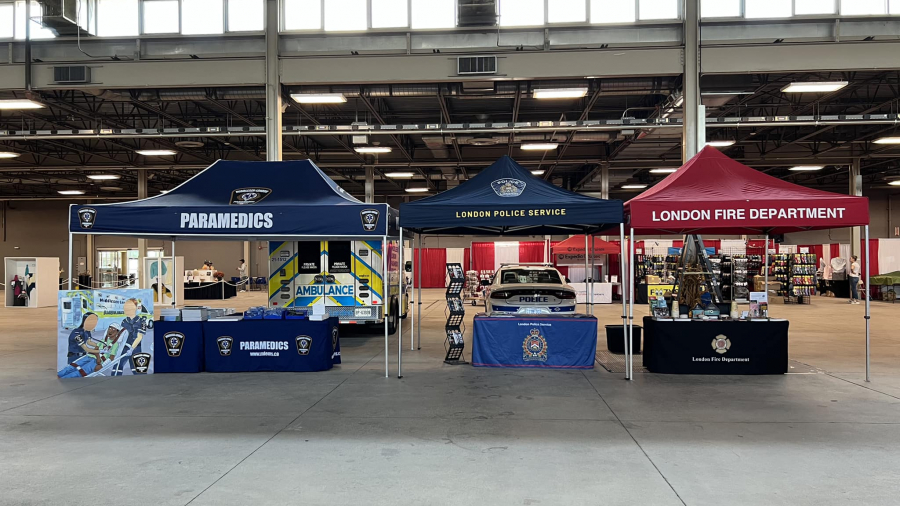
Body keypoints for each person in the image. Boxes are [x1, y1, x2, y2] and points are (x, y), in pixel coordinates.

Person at [111, 298, 150, 376]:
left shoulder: (141, 321)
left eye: (129, 307)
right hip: (124, 348)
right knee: (117, 366)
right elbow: (120, 336)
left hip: (136, 348)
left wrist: (131, 349)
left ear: (135, 308)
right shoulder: (124, 321)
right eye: (125, 307)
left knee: (138, 369)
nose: (126, 309)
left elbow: (139, 337)